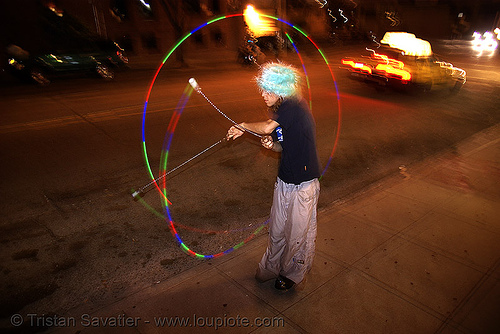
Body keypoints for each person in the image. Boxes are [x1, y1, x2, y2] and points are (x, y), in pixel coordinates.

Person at [226, 62, 321, 290]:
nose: (263, 94)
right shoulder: (282, 111)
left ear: (281, 90)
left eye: (268, 90)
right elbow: (281, 144)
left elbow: (268, 127)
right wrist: (272, 146)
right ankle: (271, 266)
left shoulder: (294, 107)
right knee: (277, 229)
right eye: (262, 89)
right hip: (285, 180)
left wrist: (243, 126)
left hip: (303, 184)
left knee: (297, 234)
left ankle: (292, 274)